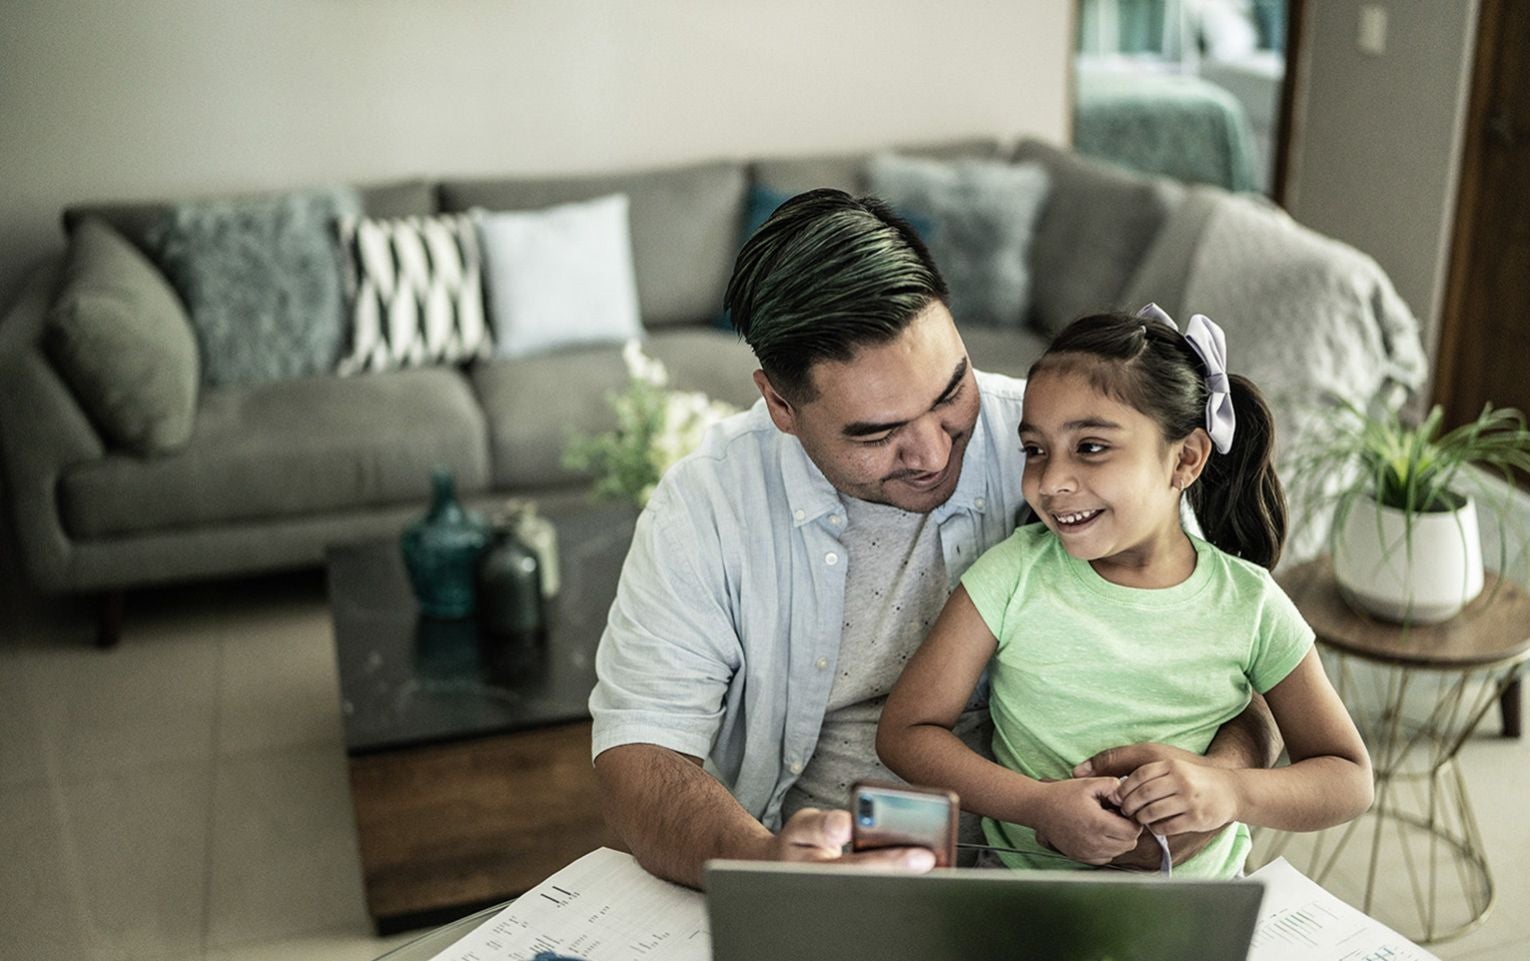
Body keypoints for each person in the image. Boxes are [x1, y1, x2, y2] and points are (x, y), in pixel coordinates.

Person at [588, 190, 1280, 889]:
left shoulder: (1075, 449)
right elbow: (638, 755)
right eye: (876, 432)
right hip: (830, 881)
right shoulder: (707, 505)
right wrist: (765, 861)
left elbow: (1240, 673)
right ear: (780, 405)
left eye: (951, 392)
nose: (930, 452)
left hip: (1071, 883)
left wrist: (1213, 789)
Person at [876, 306, 1374, 877]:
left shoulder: (1251, 603)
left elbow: (1348, 777)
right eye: (1035, 450)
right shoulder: (1011, 574)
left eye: (1090, 447)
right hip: (1023, 894)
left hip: (1193, 907)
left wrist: (1230, 792)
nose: (1052, 481)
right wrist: (1036, 806)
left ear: (1185, 458)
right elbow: (906, 733)